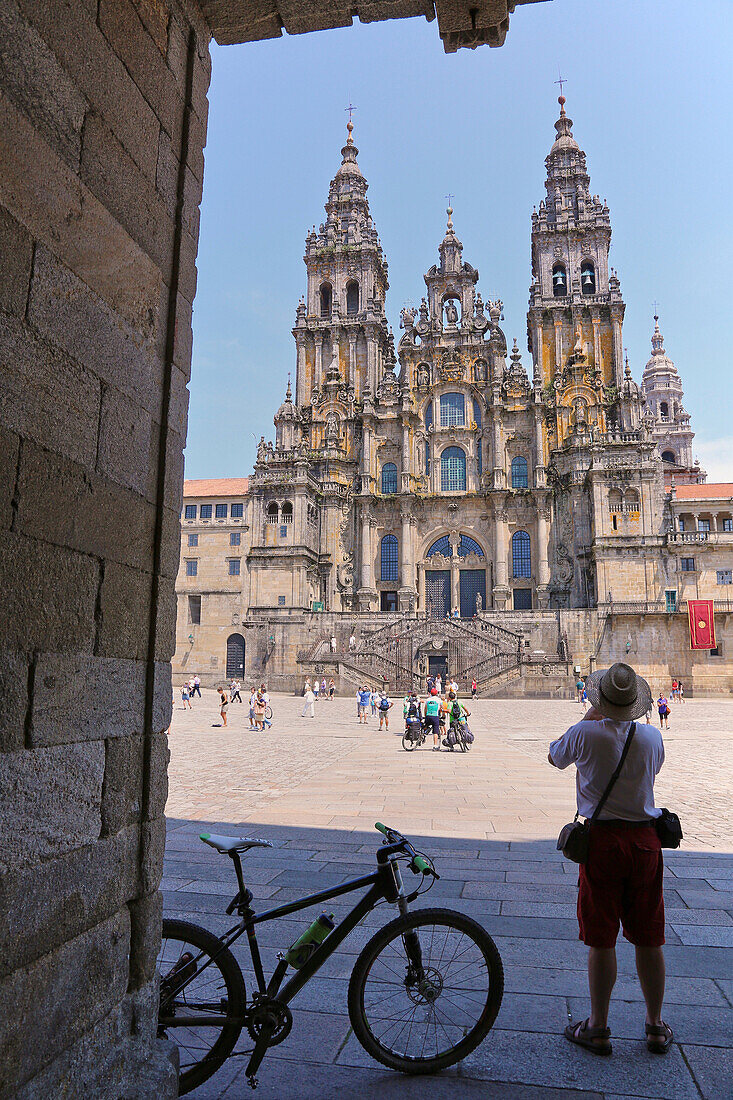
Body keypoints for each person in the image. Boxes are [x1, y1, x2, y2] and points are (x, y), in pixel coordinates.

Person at [548, 662, 671, 1057]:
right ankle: (654, 1025)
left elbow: (555, 757)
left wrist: (587, 718)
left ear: (599, 699)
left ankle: (598, 1027)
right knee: (650, 938)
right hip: (646, 843)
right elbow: (651, 774)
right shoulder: (653, 738)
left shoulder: (585, 734)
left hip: (602, 843)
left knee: (602, 940)